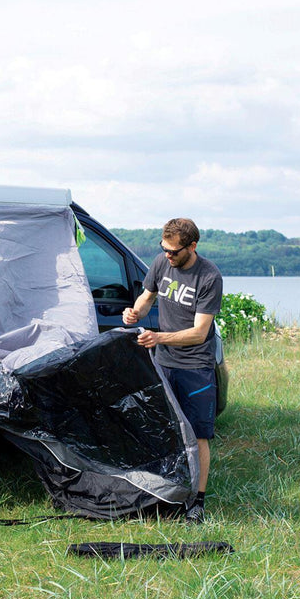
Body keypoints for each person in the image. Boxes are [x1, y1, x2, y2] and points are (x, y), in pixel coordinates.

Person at [122, 217, 223, 524]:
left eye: (174, 252)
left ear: (192, 246)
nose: (168, 256)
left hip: (195, 367)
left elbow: (198, 333)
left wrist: (159, 338)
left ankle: (198, 502)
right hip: (164, 363)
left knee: (198, 434)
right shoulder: (161, 263)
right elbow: (147, 295)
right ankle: (165, 491)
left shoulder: (209, 277)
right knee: (165, 429)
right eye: (164, 249)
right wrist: (135, 311)